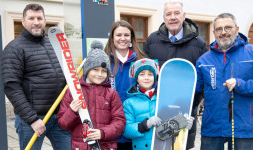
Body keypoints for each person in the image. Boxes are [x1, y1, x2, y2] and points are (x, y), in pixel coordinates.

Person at [195, 13, 253, 150]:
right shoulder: (204, 60)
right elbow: (194, 90)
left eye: (228, 27)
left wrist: (241, 85)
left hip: (244, 126)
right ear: (214, 32)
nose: (223, 32)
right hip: (212, 126)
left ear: (237, 29)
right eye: (219, 29)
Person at [1, 4, 71, 150]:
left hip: (60, 116)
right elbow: (11, 87)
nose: (36, 22)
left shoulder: (54, 44)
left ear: (45, 21)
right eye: (31, 18)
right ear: (23, 21)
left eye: (39, 18)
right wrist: (32, 119)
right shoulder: (14, 48)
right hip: (33, 120)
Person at [143, 0, 207, 149]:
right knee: (159, 145)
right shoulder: (152, 40)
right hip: (157, 111)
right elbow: (145, 75)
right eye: (169, 14)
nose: (173, 17)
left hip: (185, 111)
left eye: (176, 13)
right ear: (164, 18)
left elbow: (202, 80)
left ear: (184, 16)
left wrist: (192, 104)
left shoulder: (199, 44)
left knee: (180, 146)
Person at [57, 40, 126, 150]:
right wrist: (72, 111)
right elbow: (63, 124)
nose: (100, 74)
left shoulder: (112, 94)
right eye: (95, 69)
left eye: (104, 71)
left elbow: (120, 123)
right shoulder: (73, 92)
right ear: (87, 70)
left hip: (106, 146)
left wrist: (103, 133)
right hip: (80, 146)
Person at [123, 58, 194, 150]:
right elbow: (126, 131)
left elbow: (174, 122)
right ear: (137, 78)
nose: (146, 78)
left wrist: (185, 124)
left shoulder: (165, 98)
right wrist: (145, 125)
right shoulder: (129, 103)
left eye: (150, 74)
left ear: (155, 77)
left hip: (164, 146)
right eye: (142, 74)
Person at [104, 20, 147, 149]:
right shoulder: (103, 60)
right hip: (109, 127)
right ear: (112, 38)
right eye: (118, 35)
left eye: (126, 35)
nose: (122, 39)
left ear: (132, 38)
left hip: (135, 126)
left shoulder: (142, 60)